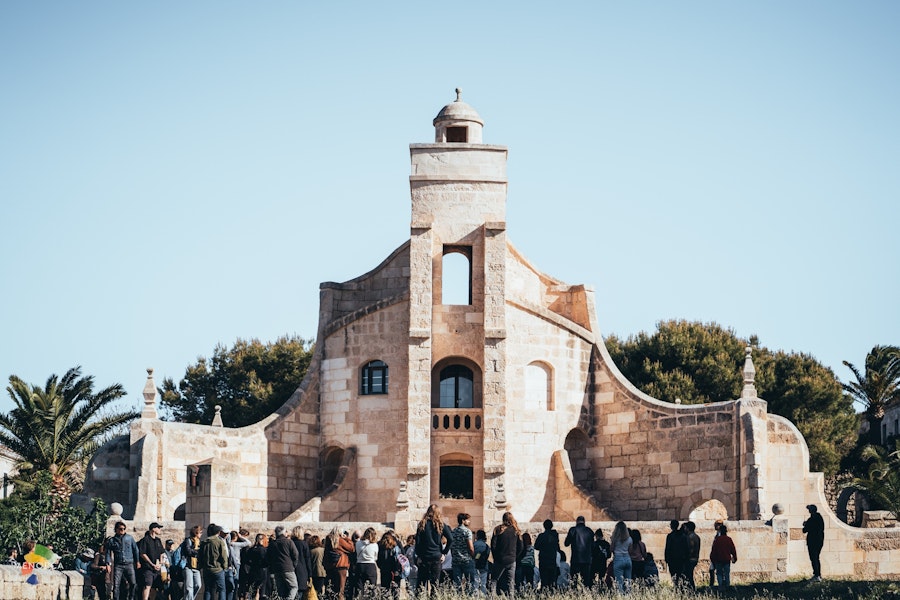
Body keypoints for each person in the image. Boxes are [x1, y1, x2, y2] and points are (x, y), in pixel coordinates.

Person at [414, 505, 452, 597]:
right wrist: (444, 553)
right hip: (436, 556)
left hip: (424, 557)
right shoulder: (441, 524)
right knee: (435, 584)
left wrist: (418, 556)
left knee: (421, 585)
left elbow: (418, 542)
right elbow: (450, 539)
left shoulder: (422, 524)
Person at [490, 511, 523, 597]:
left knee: (494, 580)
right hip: (511, 559)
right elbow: (521, 547)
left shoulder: (498, 529)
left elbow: (493, 546)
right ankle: (511, 597)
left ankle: (492, 597)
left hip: (500, 559)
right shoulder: (516, 530)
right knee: (511, 582)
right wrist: (515, 556)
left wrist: (495, 558)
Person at [107, 521, 140, 600]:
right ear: (116, 529)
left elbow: (135, 550)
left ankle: (131, 598)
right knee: (116, 585)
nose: (122, 530)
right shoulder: (112, 540)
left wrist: (137, 561)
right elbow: (108, 553)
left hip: (129, 563)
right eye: (120, 529)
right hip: (119, 564)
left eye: (124, 529)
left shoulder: (129, 538)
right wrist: (108, 564)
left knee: (133, 583)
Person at [267, 525, 299, 600]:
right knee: (294, 587)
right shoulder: (289, 542)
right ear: (284, 533)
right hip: (288, 568)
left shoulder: (272, 544)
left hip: (277, 569)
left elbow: (268, 557)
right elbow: (295, 554)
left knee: (281, 590)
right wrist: (293, 565)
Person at [200, 524, 229, 600]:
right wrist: (225, 567)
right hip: (217, 569)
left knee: (208, 590)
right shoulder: (219, 542)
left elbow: (200, 556)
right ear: (218, 532)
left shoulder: (204, 542)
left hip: (207, 569)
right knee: (222, 590)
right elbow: (223, 556)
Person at [323, 527, 354, 598]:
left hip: (331, 566)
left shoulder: (328, 540)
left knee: (332, 589)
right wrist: (347, 538)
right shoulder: (340, 540)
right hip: (341, 565)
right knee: (340, 590)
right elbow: (351, 549)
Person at [563, 516, 593, 588]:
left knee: (574, 580)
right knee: (586, 580)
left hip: (575, 559)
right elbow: (593, 545)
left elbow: (566, 543)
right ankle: (586, 595)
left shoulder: (573, 530)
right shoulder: (589, 531)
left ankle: (574, 594)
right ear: (584, 521)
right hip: (586, 559)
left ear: (576, 521)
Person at [449, 513, 476, 594]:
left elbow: (451, 546)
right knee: (470, 583)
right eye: (467, 520)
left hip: (456, 560)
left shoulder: (453, 531)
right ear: (463, 521)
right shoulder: (467, 531)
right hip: (466, 560)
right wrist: (473, 556)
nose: (469, 521)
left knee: (457, 584)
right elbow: (471, 547)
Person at [534, 519, 560, 592]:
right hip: (552, 561)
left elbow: (536, 546)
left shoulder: (542, 536)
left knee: (544, 581)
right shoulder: (555, 535)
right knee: (552, 581)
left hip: (544, 561)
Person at [709, 524, 737, 588]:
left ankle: (720, 586)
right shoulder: (729, 539)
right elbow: (733, 549)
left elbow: (714, 550)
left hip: (718, 559)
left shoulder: (717, 540)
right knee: (727, 573)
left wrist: (712, 560)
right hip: (726, 559)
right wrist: (735, 558)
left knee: (719, 574)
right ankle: (727, 586)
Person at [376, 531, 402, 600]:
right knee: (396, 592)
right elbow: (402, 556)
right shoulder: (396, 544)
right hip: (395, 570)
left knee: (385, 591)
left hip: (384, 569)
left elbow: (378, 558)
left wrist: (381, 566)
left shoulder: (380, 544)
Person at [290, 527, 313, 600]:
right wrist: (310, 574)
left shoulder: (290, 543)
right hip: (302, 571)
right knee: (300, 593)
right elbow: (307, 560)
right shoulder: (304, 544)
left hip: (292, 569)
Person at [803, 504, 825, 581]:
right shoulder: (820, 518)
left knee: (814, 558)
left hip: (812, 541)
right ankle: (818, 574)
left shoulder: (811, 519)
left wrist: (805, 524)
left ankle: (817, 575)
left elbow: (804, 530)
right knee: (816, 558)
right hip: (819, 540)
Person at [354, 527, 378, 597]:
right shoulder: (375, 545)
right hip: (370, 565)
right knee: (372, 587)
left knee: (359, 588)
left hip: (360, 565)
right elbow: (375, 557)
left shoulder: (358, 543)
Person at [181, 525, 203, 600]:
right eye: (200, 532)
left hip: (196, 567)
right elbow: (188, 551)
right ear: (196, 533)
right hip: (188, 566)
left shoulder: (200, 542)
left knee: (198, 585)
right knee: (189, 587)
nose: (201, 534)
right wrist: (198, 551)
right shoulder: (188, 540)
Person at [244, 534, 268, 600]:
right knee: (261, 590)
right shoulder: (263, 550)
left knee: (253, 589)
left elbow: (247, 560)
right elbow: (265, 560)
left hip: (253, 570)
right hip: (262, 570)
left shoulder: (252, 549)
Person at [610, 521, 632, 593]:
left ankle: (620, 596)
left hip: (618, 559)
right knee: (628, 581)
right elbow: (630, 551)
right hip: (627, 559)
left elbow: (611, 549)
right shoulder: (629, 539)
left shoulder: (615, 539)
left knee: (619, 582)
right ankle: (628, 596)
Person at [664, 520, 686, 589]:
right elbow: (685, 548)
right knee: (680, 575)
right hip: (681, 559)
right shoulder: (683, 536)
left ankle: (676, 587)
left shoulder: (670, 536)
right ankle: (680, 588)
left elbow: (668, 548)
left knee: (674, 575)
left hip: (672, 559)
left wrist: (666, 559)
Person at [472, 530, 490, 595]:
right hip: (484, 566)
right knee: (483, 583)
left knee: (475, 583)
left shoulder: (474, 544)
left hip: (475, 565)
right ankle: (483, 596)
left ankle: (475, 597)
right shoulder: (487, 546)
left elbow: (471, 553)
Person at [683, 522, 700, 591]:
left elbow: (690, 548)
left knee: (688, 575)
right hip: (695, 558)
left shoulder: (690, 537)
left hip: (690, 559)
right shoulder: (696, 536)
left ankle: (691, 589)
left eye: (685, 527)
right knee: (689, 575)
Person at [709, 519, 723, 587]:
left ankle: (721, 585)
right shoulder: (717, 534)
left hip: (718, 556)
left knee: (719, 571)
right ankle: (712, 584)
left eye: (716, 525)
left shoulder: (721, 535)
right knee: (711, 570)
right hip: (715, 556)